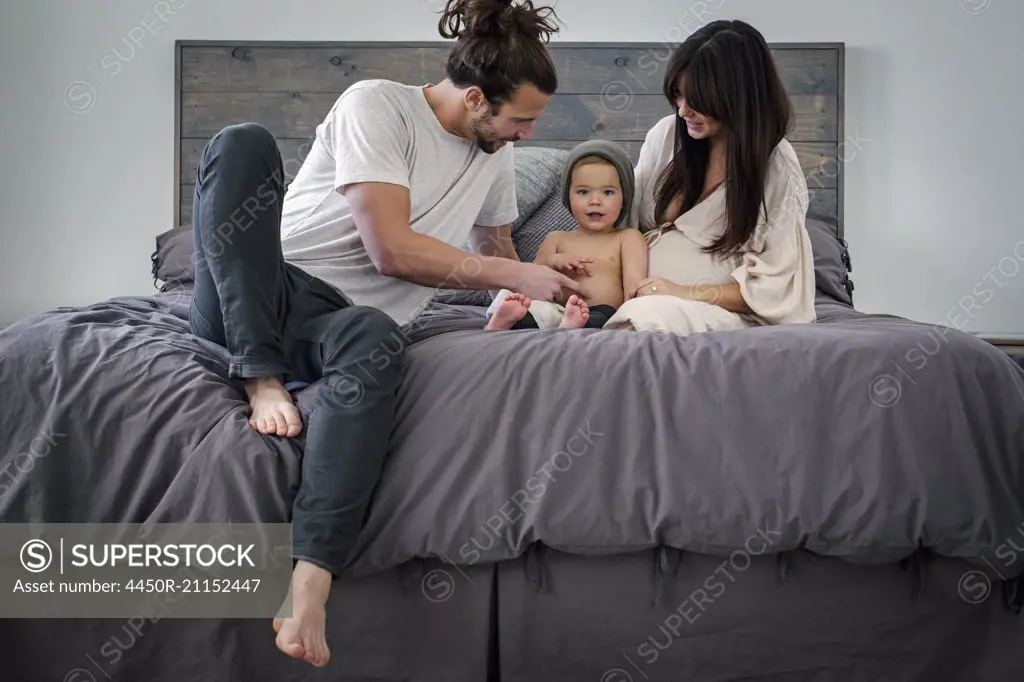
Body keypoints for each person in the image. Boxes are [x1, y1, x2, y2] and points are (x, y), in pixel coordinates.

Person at [188, 0, 579, 668]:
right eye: (521, 119)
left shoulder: (495, 157)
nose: (527, 132)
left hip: (341, 325)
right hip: (261, 291)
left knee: (375, 333)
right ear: (477, 97)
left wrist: (530, 289)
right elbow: (390, 251)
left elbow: (496, 254)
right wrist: (512, 268)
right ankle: (258, 374)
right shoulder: (379, 106)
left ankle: (311, 578)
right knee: (242, 141)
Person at [603, 19, 817, 336]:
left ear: (738, 97)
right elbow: (622, 227)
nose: (683, 111)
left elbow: (779, 288)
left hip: (714, 311)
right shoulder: (665, 136)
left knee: (646, 316)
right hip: (639, 294)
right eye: (678, 95)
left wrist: (681, 291)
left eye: (698, 100)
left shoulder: (777, 164)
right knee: (544, 308)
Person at [485, 140, 648, 330]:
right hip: (555, 309)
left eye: (608, 192)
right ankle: (503, 321)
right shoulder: (557, 238)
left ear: (624, 198)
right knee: (519, 301)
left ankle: (571, 325)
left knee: (599, 318)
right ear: (568, 197)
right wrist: (553, 261)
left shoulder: (627, 238)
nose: (595, 201)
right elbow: (531, 278)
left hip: (600, 312)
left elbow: (634, 287)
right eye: (583, 192)